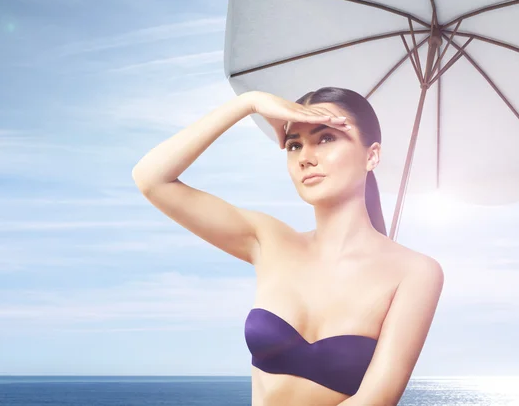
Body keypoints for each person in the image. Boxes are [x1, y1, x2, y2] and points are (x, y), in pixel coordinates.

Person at [132, 87, 444, 406]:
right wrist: (248, 103)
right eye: (294, 145)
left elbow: (377, 399)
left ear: (372, 155)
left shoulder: (415, 272)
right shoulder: (269, 241)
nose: (306, 158)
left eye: (326, 138)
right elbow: (151, 178)